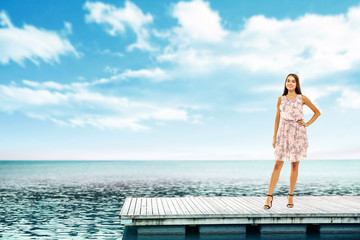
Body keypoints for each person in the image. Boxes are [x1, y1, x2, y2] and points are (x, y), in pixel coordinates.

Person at [263, 73, 321, 209]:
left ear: (297, 84)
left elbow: (317, 112)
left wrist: (307, 123)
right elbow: (277, 119)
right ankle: (269, 196)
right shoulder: (280, 99)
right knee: (278, 164)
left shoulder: (302, 98)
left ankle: (290, 196)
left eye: (293, 81)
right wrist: (274, 137)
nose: (290, 83)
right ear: (285, 83)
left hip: (297, 133)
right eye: (288, 81)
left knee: (295, 165)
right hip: (283, 133)